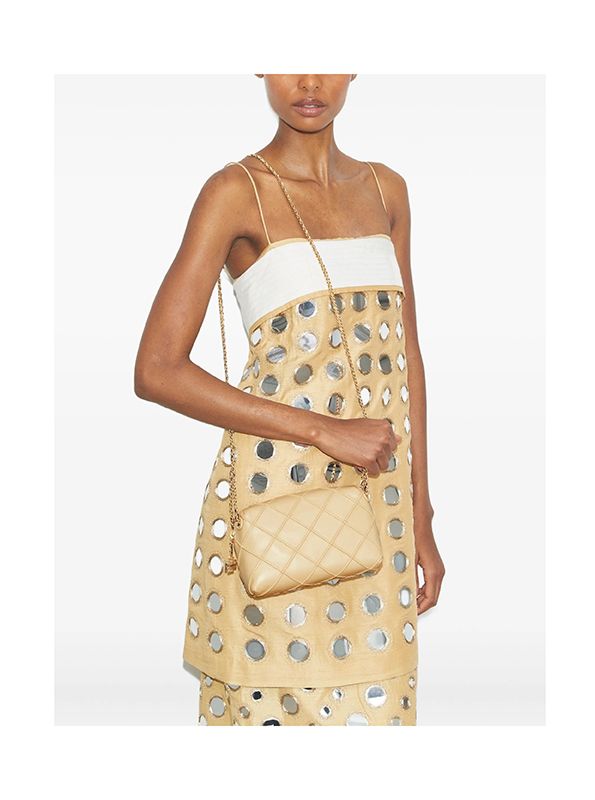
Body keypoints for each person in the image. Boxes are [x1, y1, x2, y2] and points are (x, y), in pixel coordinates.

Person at [134, 74, 445, 726]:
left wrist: (421, 516)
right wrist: (323, 430)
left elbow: (407, 358)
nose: (309, 81)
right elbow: (157, 369)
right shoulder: (235, 192)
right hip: (275, 501)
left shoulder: (387, 191)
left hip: (380, 505)